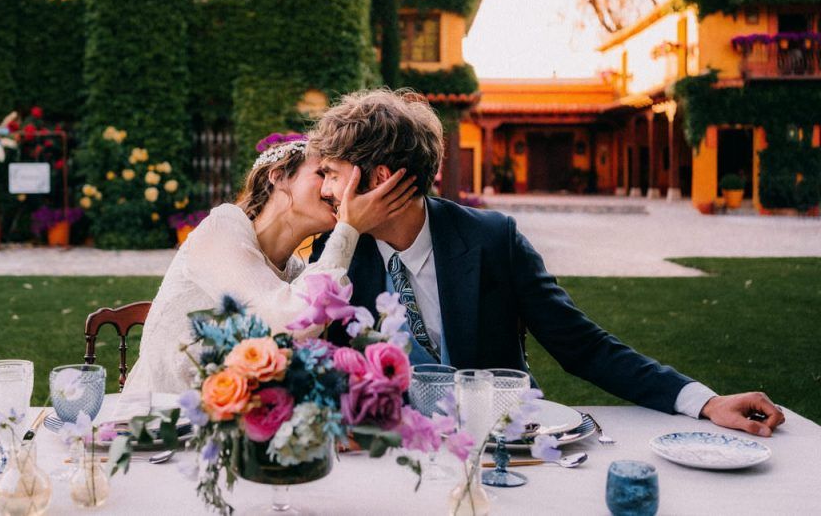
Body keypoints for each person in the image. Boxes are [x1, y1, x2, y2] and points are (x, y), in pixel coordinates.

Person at [309, 89, 785, 438]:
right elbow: (311, 361)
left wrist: (705, 402)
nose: (323, 189)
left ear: (382, 178)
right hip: (392, 454)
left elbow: (582, 346)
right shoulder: (337, 252)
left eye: (331, 174)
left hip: (507, 449)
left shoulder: (493, 240)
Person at [117, 133, 416, 403]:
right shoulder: (222, 227)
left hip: (228, 430)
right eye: (321, 173)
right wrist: (348, 228)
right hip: (155, 420)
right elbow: (284, 321)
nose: (330, 188)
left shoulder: (297, 273)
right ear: (278, 176)